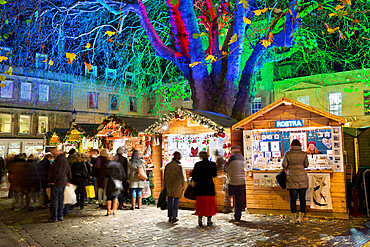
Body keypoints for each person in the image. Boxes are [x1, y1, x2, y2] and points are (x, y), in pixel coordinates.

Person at [282, 139, 309, 224]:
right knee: (302, 199)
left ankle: (293, 218)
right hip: (302, 178)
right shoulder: (304, 154)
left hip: (292, 178)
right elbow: (306, 165)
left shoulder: (287, 153)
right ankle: (301, 217)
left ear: (291, 145)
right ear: (300, 145)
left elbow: (284, 165)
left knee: (293, 199)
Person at [191, 151, 217, 227]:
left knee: (200, 204)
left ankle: (200, 220)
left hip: (200, 187)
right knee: (209, 204)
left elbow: (194, 176)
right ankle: (209, 220)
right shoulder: (212, 164)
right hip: (209, 186)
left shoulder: (198, 165)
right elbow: (214, 174)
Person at [48, 147, 72, 222]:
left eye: (54, 151)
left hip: (57, 182)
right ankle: (60, 215)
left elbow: (57, 172)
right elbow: (69, 170)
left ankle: (55, 216)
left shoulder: (59, 160)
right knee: (60, 199)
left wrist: (52, 180)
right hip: (63, 182)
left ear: (59, 151)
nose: (53, 153)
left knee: (55, 200)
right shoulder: (64, 159)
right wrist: (68, 179)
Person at [225, 145, 246, 222]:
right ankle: (238, 215)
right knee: (239, 200)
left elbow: (226, 169)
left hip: (232, 180)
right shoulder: (243, 158)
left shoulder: (231, 158)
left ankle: (228, 208)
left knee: (229, 194)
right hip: (241, 181)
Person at [163, 151, 186, 223]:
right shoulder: (179, 166)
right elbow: (183, 177)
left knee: (169, 200)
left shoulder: (168, 165)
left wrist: (164, 185)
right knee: (176, 201)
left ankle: (170, 216)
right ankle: (174, 216)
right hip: (177, 185)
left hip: (169, 185)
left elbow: (165, 177)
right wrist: (183, 186)